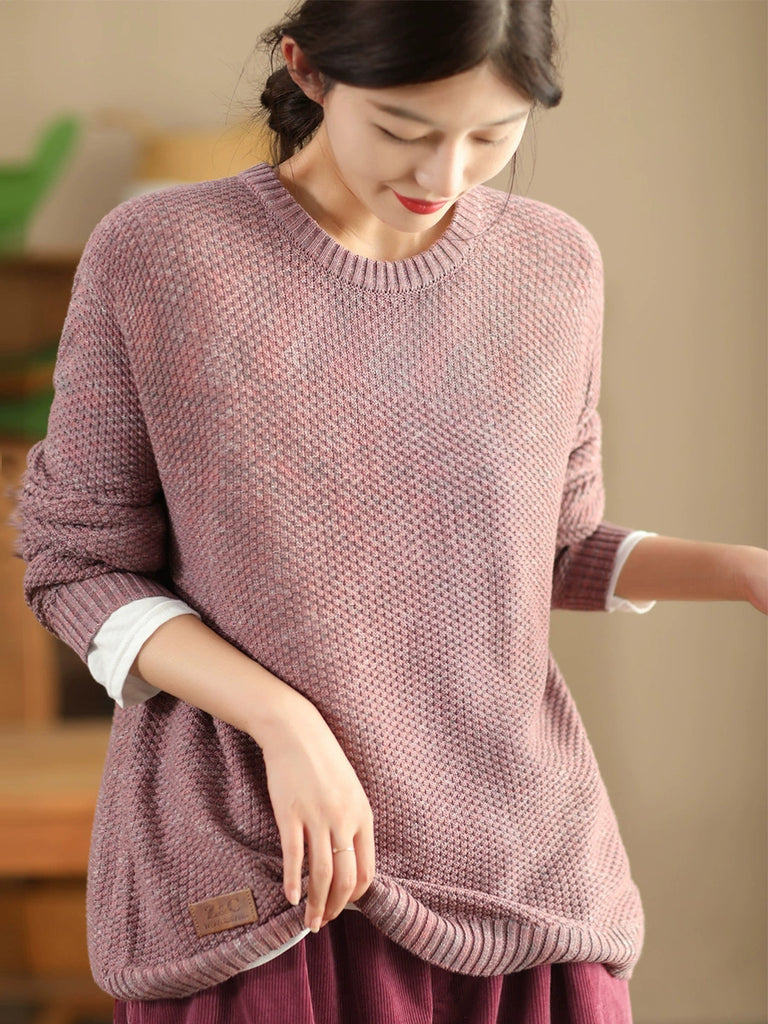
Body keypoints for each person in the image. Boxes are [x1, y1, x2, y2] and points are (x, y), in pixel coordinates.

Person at [15, 2, 767, 1022]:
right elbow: (78, 564)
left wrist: (741, 570)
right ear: (308, 71)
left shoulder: (553, 266)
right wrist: (284, 721)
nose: (444, 173)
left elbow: (545, 548)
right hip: (271, 879)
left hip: (518, 870)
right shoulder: (161, 255)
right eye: (405, 130)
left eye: (492, 137)